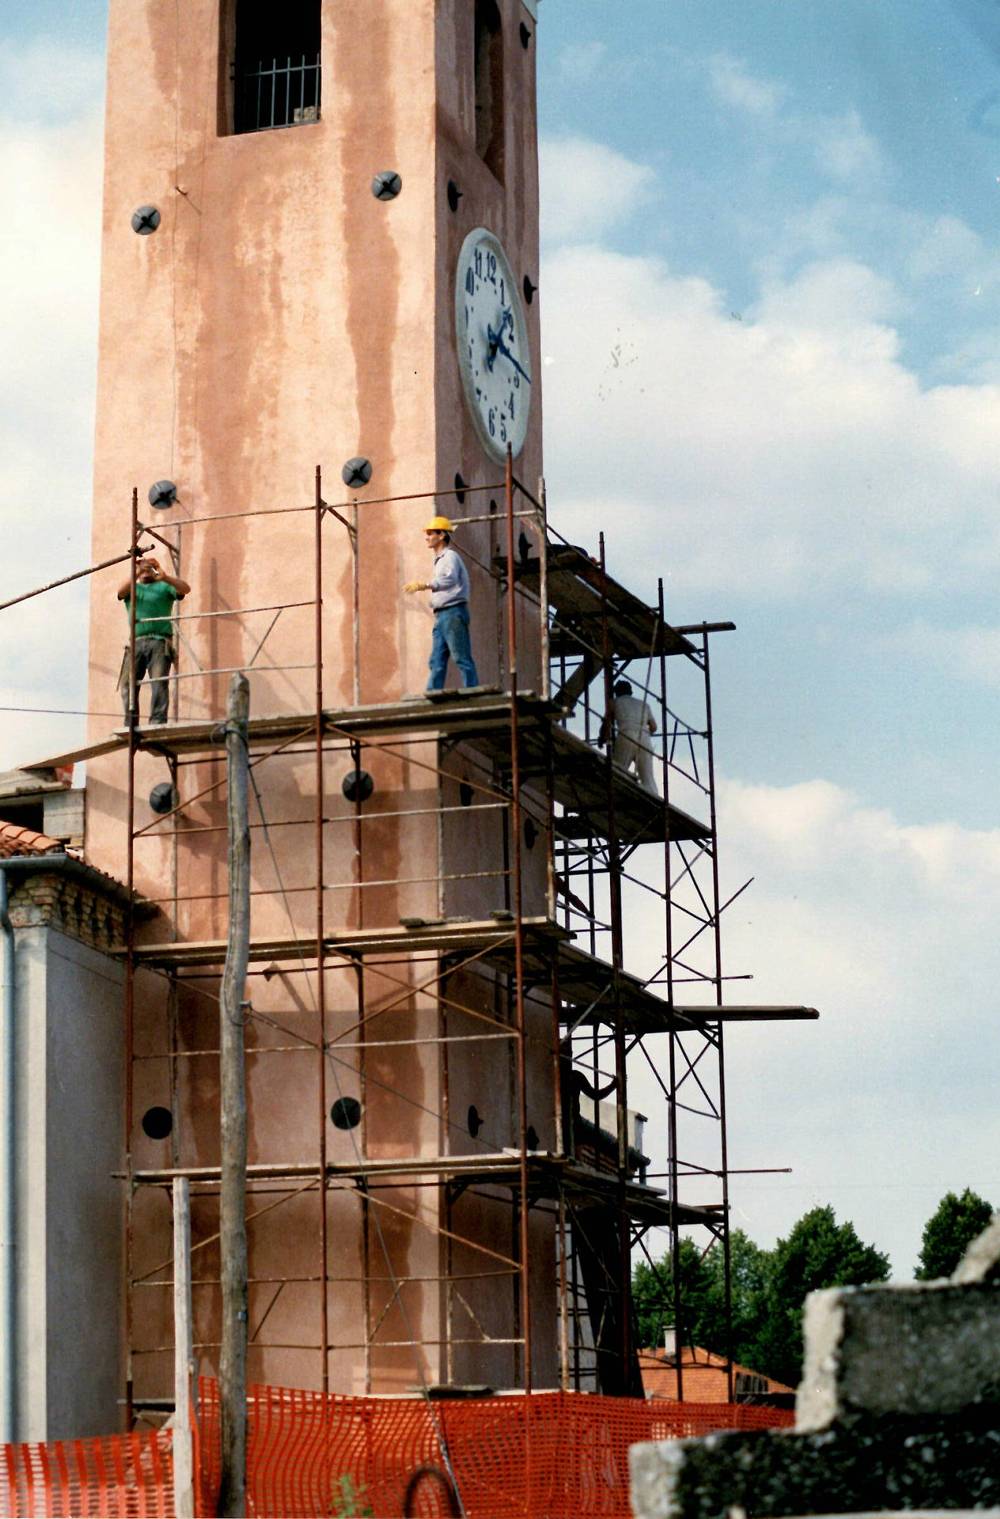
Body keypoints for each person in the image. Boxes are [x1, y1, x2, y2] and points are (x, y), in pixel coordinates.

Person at [403, 515, 480, 691]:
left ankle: (472, 690)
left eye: (431, 533)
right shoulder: (441, 559)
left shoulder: (449, 557)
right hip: (443, 614)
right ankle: (433, 692)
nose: (427, 537)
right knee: (437, 659)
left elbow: (449, 579)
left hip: (452, 612)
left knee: (461, 656)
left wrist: (425, 585)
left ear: (442, 535)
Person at [117, 556, 191, 724]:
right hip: (136, 642)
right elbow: (120, 592)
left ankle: (157, 720)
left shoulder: (164, 587)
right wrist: (136, 572)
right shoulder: (133, 588)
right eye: (141, 566)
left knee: (159, 682)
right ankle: (131, 722)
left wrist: (165, 577)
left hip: (159, 641)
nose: (145, 569)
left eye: (149, 566)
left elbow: (185, 589)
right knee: (128, 684)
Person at [600, 678, 659, 793]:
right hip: (644, 738)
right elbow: (654, 727)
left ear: (616, 692)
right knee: (648, 777)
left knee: (618, 771)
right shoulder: (643, 704)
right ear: (630, 692)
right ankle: (654, 801)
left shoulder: (614, 702)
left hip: (626, 735)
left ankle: (615, 795)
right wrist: (644, 733)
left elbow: (607, 724)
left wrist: (603, 738)